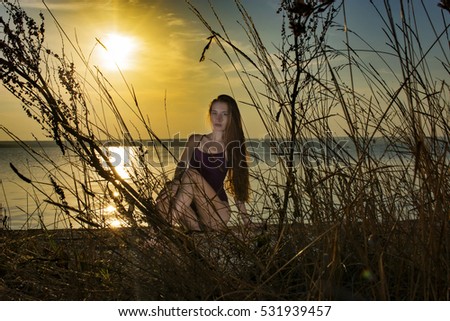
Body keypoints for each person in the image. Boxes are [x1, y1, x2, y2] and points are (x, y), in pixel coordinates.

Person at [156, 94, 250, 231]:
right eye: (214, 113)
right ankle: (196, 231)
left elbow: (238, 187)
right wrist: (174, 183)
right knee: (163, 198)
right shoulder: (195, 140)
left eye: (224, 114)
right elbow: (181, 167)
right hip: (190, 210)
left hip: (216, 213)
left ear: (231, 118)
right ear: (209, 115)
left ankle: (163, 229)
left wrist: (246, 220)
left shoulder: (233, 148)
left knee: (191, 174)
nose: (218, 118)